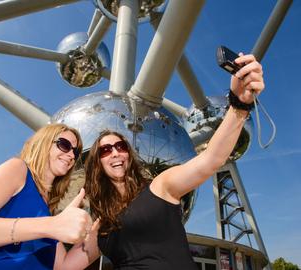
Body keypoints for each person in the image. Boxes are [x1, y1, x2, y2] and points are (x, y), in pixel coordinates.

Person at [54, 53, 265, 270]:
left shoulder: (160, 187)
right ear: (97, 162)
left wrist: (239, 105)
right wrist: (53, 225)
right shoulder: (102, 224)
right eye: (105, 150)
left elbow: (211, 159)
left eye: (121, 146)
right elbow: (64, 267)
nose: (115, 153)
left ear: (129, 155)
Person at [0, 123, 93, 269]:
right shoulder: (18, 170)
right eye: (64, 145)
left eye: (76, 151)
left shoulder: (48, 211)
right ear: (44, 143)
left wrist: (104, 228)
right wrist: (49, 225)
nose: (71, 155)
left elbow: (63, 266)